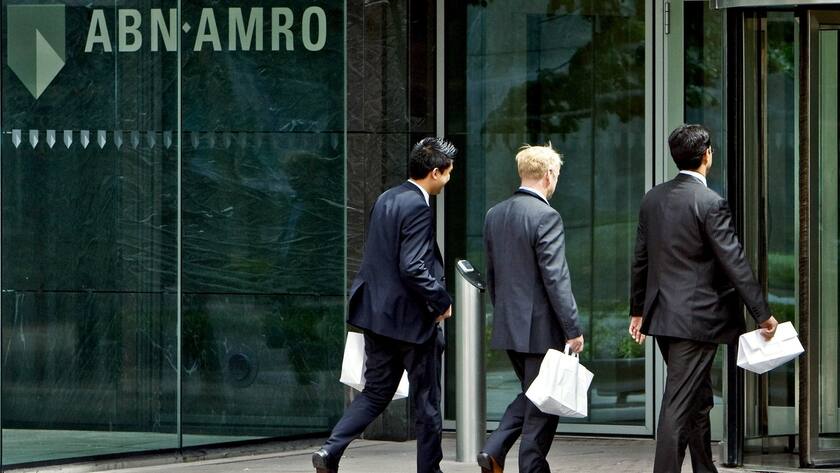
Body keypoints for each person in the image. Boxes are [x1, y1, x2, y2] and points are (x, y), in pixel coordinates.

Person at [628, 124, 779, 473]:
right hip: (696, 321)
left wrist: (638, 310)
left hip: (663, 318)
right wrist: (763, 314)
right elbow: (735, 263)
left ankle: (704, 469)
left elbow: (640, 260)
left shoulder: (653, 198)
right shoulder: (710, 202)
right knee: (679, 404)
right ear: (708, 155)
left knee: (697, 399)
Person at [312, 137, 456, 473]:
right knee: (427, 404)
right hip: (411, 322)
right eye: (448, 173)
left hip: (377, 317)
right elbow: (413, 266)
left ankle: (330, 450)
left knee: (375, 393)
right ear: (435, 172)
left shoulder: (387, 198)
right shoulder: (419, 207)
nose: (449, 179)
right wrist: (441, 301)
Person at [478, 144, 584, 473]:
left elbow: (493, 276)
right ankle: (529, 467)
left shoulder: (494, 214)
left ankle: (494, 451)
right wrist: (573, 329)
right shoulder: (546, 216)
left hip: (509, 326)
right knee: (542, 406)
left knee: (533, 393)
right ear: (549, 175)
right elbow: (556, 279)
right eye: (557, 174)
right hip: (541, 328)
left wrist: (506, 316)